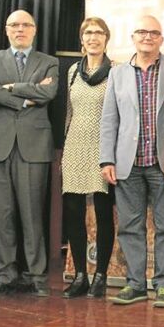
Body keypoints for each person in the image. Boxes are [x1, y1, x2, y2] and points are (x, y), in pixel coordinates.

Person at [0, 9, 58, 298]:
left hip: (33, 145)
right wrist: (25, 99)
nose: (20, 29)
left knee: (33, 213)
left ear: (34, 30)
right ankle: (4, 275)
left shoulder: (49, 62)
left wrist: (11, 87)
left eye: (25, 25)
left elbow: (49, 94)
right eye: (14, 25)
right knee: (1, 214)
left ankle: (35, 275)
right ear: (6, 30)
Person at [100, 15, 164, 308]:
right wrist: (106, 158)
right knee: (130, 227)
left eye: (154, 32)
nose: (148, 36)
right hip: (126, 164)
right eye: (142, 32)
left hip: (161, 162)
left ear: (161, 38)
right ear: (133, 37)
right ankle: (135, 284)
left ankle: (163, 285)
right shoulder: (117, 73)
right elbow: (109, 119)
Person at [61, 17, 115, 299]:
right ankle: (80, 274)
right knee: (73, 213)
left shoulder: (116, 71)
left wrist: (113, 155)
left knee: (104, 214)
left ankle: (101, 276)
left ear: (106, 38)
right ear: (81, 39)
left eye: (98, 32)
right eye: (88, 33)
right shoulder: (72, 71)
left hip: (103, 149)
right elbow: (68, 112)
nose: (93, 37)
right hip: (74, 146)